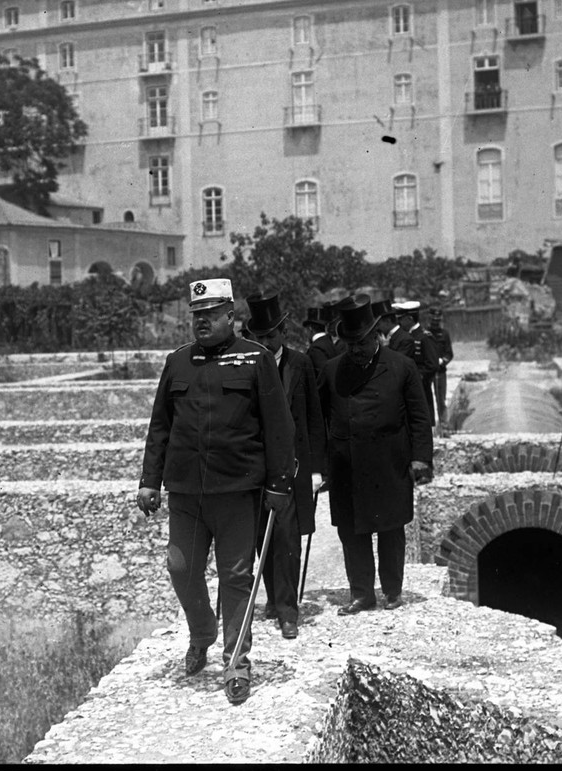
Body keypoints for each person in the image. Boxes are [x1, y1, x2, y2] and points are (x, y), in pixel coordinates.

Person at [138, 278, 296, 705]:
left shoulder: (256, 360)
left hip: (237, 491)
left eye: (210, 315)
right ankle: (202, 631)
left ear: (232, 316)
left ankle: (236, 662)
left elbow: (279, 428)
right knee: (179, 567)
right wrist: (149, 480)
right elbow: (160, 427)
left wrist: (280, 485)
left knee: (236, 577)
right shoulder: (178, 363)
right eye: (196, 316)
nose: (202, 322)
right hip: (186, 492)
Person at [317, 294, 434, 615]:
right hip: (347, 466)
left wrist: (420, 457)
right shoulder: (330, 371)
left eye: (362, 343)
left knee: (391, 530)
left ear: (376, 337)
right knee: (352, 533)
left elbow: (419, 416)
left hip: (389, 463)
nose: (355, 350)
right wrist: (319, 464)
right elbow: (316, 419)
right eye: (350, 344)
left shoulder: (402, 367)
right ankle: (362, 594)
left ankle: (393, 591)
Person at [242, 291, 327, 640]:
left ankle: (288, 611)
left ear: (283, 333)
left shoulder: (301, 365)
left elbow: (314, 418)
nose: (265, 343)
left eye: (270, 337)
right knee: (264, 538)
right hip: (255, 468)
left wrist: (318, 469)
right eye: (259, 337)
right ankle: (275, 599)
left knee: (288, 537)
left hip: (291, 468)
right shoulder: (246, 365)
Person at [391, 299, 440, 425]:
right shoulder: (407, 337)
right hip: (409, 388)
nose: (399, 322)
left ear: (409, 319)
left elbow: (432, 365)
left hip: (421, 387)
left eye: (401, 319)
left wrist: (417, 377)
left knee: (422, 421)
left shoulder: (424, 337)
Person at [426, 307, 454, 423]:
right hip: (427, 372)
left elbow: (449, 353)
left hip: (440, 372)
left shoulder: (444, 334)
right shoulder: (425, 334)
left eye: (437, 320)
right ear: (429, 319)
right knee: (427, 400)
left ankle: (444, 426)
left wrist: (443, 360)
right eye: (433, 320)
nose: (435, 322)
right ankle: (430, 427)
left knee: (441, 400)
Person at [304, 302, 342, 373]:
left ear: (310, 329)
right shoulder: (329, 344)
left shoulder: (316, 349)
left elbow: (323, 375)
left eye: (306, 330)